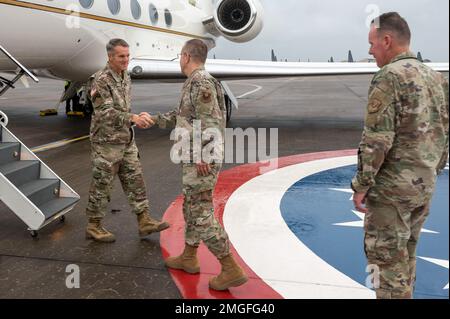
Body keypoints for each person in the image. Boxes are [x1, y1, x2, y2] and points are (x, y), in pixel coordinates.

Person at [351, 12, 449, 299]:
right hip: (423, 186)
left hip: (392, 192)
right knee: (406, 259)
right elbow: (444, 131)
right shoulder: (437, 78)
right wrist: (433, 170)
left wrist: (362, 184)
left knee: (385, 267)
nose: (370, 51)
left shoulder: (388, 77)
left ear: (387, 40)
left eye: (372, 44)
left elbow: (377, 139)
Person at [149, 39, 248, 291]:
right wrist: (153, 120)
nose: (179, 59)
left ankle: (229, 267)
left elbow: (210, 122)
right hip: (195, 156)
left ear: (185, 56)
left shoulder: (201, 82)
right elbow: (183, 116)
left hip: (201, 159)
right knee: (192, 208)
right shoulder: (195, 82)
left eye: (179, 55)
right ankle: (189, 257)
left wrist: (203, 154)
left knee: (200, 213)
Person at [85, 38, 170, 243]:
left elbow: (122, 108)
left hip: (125, 138)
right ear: (110, 57)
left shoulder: (125, 76)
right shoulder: (100, 80)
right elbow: (104, 112)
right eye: (121, 56)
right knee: (102, 184)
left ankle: (144, 220)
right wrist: (133, 118)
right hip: (106, 142)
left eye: (127, 55)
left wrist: (135, 115)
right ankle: (93, 226)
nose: (126, 60)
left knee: (135, 179)